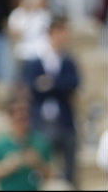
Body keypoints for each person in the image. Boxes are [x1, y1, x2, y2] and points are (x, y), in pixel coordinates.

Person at [23, 18, 80, 185]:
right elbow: (32, 86)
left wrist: (49, 84)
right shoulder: (36, 61)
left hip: (65, 120)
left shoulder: (68, 61)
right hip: (42, 120)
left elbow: (74, 83)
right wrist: (58, 85)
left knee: (70, 168)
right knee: (43, 167)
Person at [0, 98, 51, 191]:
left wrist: (37, 163)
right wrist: (5, 167)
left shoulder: (39, 142)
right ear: (10, 119)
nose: (22, 124)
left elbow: (50, 175)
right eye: (18, 119)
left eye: (25, 119)